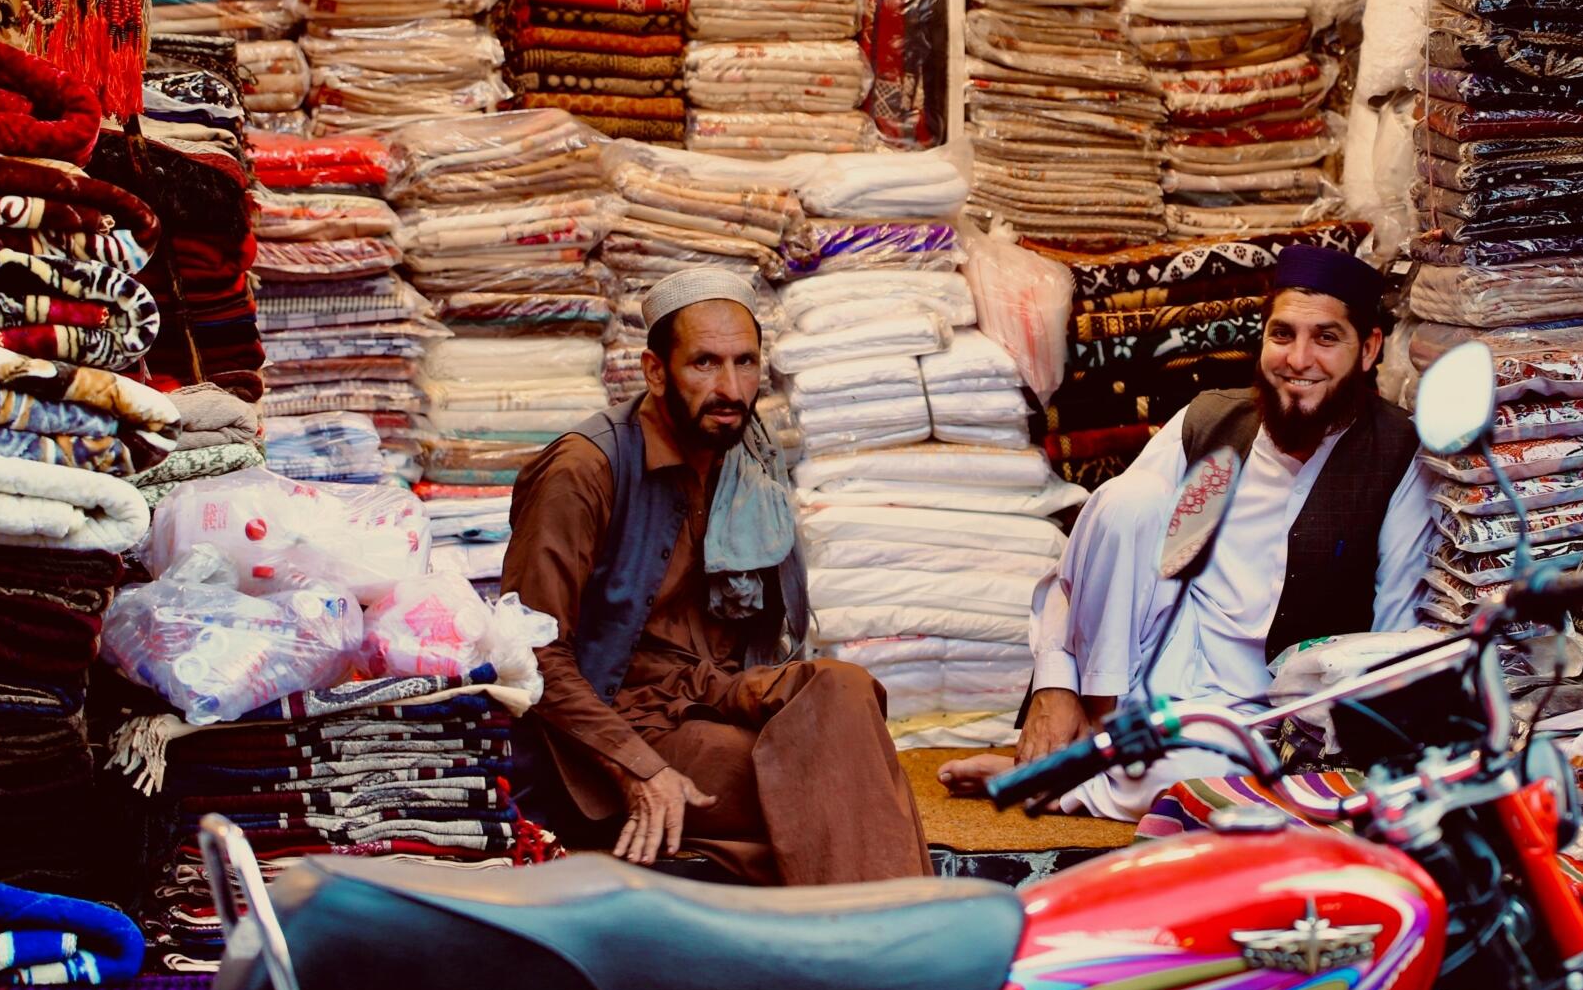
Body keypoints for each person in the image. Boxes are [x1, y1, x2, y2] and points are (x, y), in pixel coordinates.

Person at [943, 245, 1435, 819]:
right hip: (1154, 669)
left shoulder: (1396, 454)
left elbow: (1395, 630)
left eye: (1326, 338)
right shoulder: (1212, 422)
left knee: (1205, 776)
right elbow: (1094, 556)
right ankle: (1103, 735)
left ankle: (1069, 778)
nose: (1298, 359)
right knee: (1129, 501)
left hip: (1267, 714)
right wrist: (1056, 686)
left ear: (1369, 349)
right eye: (1282, 335)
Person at [503, 266, 930, 884]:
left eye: (746, 363)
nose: (731, 388)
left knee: (843, 690)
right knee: (838, 783)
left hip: (712, 695)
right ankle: (894, 950)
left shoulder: (747, 459)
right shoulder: (586, 467)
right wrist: (640, 769)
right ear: (655, 372)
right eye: (704, 364)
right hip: (617, 729)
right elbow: (530, 654)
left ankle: (872, 935)